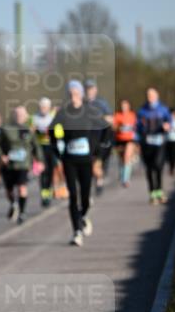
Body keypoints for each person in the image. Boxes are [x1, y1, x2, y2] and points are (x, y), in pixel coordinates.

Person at [50, 80, 108, 246]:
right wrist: (57, 150)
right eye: (70, 94)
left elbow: (106, 129)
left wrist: (99, 152)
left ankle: (83, 216)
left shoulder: (89, 111)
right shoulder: (62, 113)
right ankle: (76, 232)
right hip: (69, 160)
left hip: (86, 159)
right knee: (73, 196)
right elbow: (52, 131)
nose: (73, 97)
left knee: (85, 196)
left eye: (76, 93)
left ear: (81, 95)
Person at [0, 105, 42, 224]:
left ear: (25, 117)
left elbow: (36, 146)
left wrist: (40, 160)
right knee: (9, 191)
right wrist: (1, 156)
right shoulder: (5, 130)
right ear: (13, 116)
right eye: (17, 114)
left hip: (23, 165)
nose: (19, 117)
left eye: (21, 115)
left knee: (22, 188)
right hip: (8, 165)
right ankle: (13, 203)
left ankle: (22, 212)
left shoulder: (29, 130)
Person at [136, 88, 171, 204]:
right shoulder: (142, 111)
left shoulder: (163, 109)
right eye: (148, 95)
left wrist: (167, 126)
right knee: (150, 167)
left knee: (158, 165)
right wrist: (140, 131)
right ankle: (152, 193)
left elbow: (169, 122)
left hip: (160, 142)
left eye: (152, 95)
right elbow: (137, 126)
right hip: (147, 143)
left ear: (157, 96)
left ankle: (159, 190)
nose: (150, 97)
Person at [84, 78, 113, 196]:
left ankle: (99, 182)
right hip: (85, 137)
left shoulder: (102, 103)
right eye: (87, 89)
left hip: (99, 136)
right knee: (89, 164)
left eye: (91, 89)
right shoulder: (81, 103)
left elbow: (111, 119)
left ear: (95, 89)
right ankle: (96, 182)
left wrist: (99, 119)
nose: (89, 91)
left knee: (97, 164)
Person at [31, 97, 56, 207]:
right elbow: (31, 133)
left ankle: (48, 192)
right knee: (42, 172)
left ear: (49, 108)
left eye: (45, 107)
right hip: (39, 148)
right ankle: (43, 194)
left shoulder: (53, 117)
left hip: (51, 147)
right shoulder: (34, 118)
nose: (43, 109)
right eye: (41, 107)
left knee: (50, 171)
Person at [112, 99, 137, 188]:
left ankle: (125, 179)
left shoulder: (132, 115)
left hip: (130, 140)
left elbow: (137, 127)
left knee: (127, 157)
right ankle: (123, 174)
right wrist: (119, 127)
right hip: (119, 140)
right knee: (122, 159)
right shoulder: (117, 115)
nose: (124, 107)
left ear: (129, 106)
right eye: (122, 105)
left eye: (125, 105)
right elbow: (113, 127)